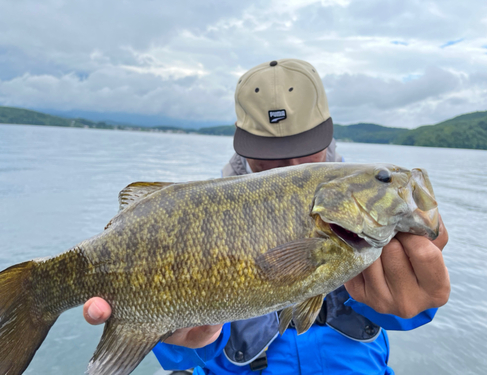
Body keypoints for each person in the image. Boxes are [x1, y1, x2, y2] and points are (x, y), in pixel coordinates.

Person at [84, 59, 450, 374]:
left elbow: (407, 310)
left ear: (327, 136)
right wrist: (183, 341)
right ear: (242, 144)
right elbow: (191, 347)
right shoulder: (199, 213)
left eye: (304, 149)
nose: (289, 166)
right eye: (270, 155)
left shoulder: (363, 203)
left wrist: (413, 300)